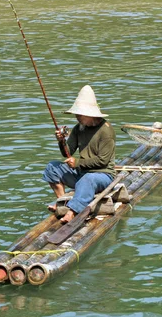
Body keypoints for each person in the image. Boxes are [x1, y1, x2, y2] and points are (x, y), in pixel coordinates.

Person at [42, 85, 116, 223]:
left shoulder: (106, 131)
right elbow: (68, 153)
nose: (77, 117)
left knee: (88, 179)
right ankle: (62, 202)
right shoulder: (79, 128)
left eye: (79, 115)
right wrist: (61, 141)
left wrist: (77, 163)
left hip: (103, 175)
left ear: (90, 114)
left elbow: (103, 161)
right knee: (52, 167)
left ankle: (71, 212)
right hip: (82, 172)